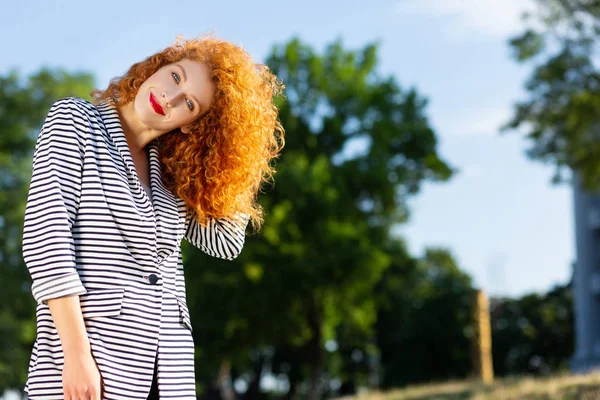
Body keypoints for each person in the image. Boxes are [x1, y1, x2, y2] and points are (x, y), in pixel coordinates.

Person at [21, 35, 285, 400]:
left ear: (194, 124)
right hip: (93, 366)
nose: (170, 98)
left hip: (170, 373)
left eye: (190, 103)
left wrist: (238, 155)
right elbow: (46, 243)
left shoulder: (173, 175)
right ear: (158, 66)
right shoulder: (76, 121)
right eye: (176, 77)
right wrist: (76, 355)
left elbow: (226, 242)